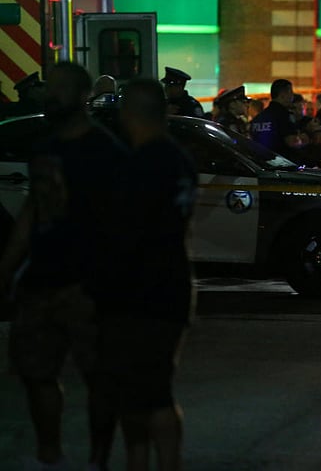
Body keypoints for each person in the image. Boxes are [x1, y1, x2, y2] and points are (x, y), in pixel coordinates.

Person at [0, 62, 124, 470]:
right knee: (35, 372)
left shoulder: (104, 151)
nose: (47, 96)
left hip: (90, 285)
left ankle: (98, 458)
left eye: (57, 89)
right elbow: (33, 212)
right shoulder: (45, 146)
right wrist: (8, 268)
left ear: (81, 96)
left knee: (99, 379)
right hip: (42, 282)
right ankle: (49, 452)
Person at [98, 77, 197, 471]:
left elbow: (124, 233)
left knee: (148, 393)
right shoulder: (179, 159)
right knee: (145, 391)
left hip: (140, 291)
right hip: (170, 285)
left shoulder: (140, 164)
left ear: (130, 113)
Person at [250, 79, 310, 160]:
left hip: (260, 164)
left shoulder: (259, 118)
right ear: (283, 94)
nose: (292, 96)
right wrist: (307, 135)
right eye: (291, 92)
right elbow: (293, 142)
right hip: (281, 164)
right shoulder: (283, 115)